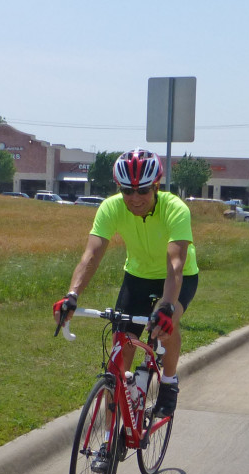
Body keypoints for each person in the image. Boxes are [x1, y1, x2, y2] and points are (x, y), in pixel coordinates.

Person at [54, 148, 199, 422]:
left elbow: (176, 262)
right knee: (119, 357)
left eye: (143, 190)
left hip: (179, 276)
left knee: (166, 325)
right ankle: (111, 439)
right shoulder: (111, 208)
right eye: (127, 191)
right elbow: (91, 255)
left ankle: (168, 381)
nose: (134, 198)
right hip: (138, 276)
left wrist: (167, 306)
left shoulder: (175, 208)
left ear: (156, 186)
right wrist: (72, 294)